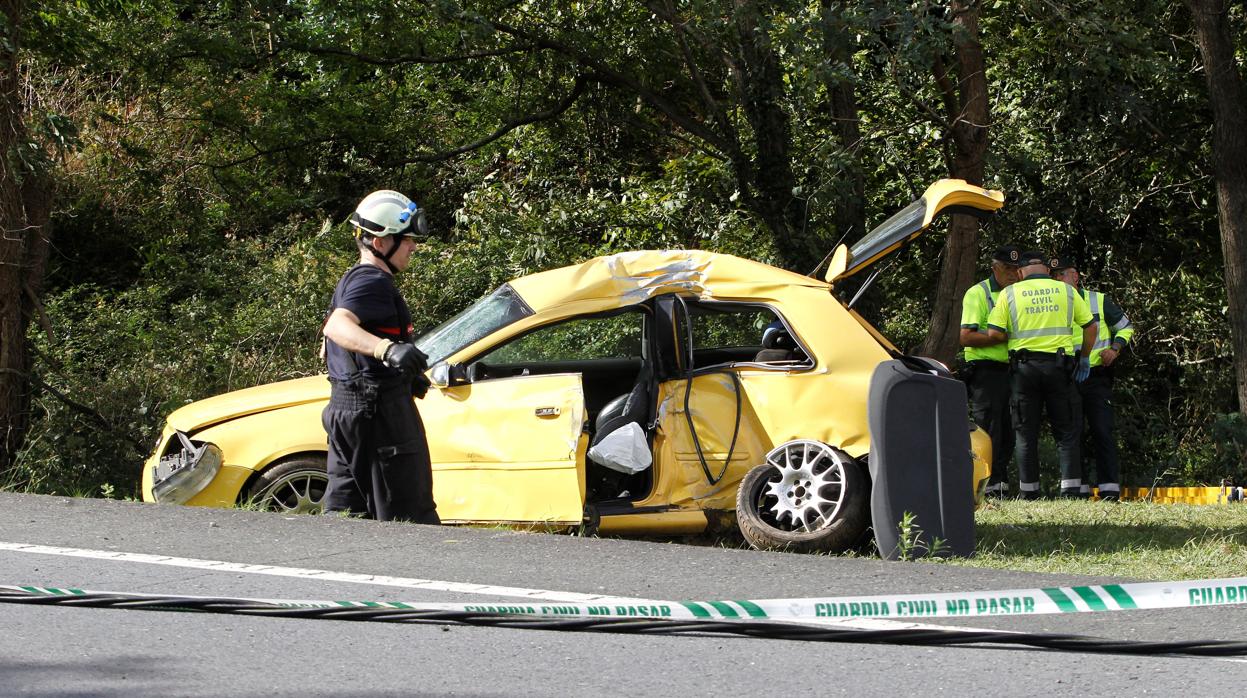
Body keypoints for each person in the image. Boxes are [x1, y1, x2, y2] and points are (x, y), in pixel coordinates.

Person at [320, 190, 440, 523]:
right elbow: (337, 327)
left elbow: (329, 345)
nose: (413, 247)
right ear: (380, 243)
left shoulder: (352, 279)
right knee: (408, 520)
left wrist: (403, 374)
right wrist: (387, 350)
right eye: (406, 240)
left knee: (346, 517)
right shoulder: (373, 282)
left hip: (347, 409)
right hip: (379, 415)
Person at [984, 250, 1098, 499]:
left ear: (1020, 272)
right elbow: (1091, 326)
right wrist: (1085, 357)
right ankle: (1070, 490)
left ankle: (1029, 492)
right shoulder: (1067, 291)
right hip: (1060, 368)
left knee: (1025, 432)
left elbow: (993, 333)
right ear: (1047, 270)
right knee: (1066, 430)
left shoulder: (1009, 293)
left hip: (1023, 370)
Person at [1050, 256, 1134, 501]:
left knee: (1102, 430)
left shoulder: (1098, 300)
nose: (1056, 280)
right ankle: (1078, 489)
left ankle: (1109, 489)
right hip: (1068, 375)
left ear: (1075, 276)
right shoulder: (1054, 304)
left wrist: (1115, 349)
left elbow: (1126, 327)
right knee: (1071, 432)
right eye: (1053, 276)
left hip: (1097, 375)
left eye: (1060, 274)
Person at [958, 245, 1022, 497]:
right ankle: (986, 483)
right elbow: (966, 336)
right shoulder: (979, 293)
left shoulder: (1019, 293)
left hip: (1014, 369)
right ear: (995, 268)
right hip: (987, 370)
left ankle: (1000, 482)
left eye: (1016, 269)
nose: (1013, 274)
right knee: (988, 428)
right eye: (1007, 269)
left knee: (1010, 428)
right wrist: (1001, 337)